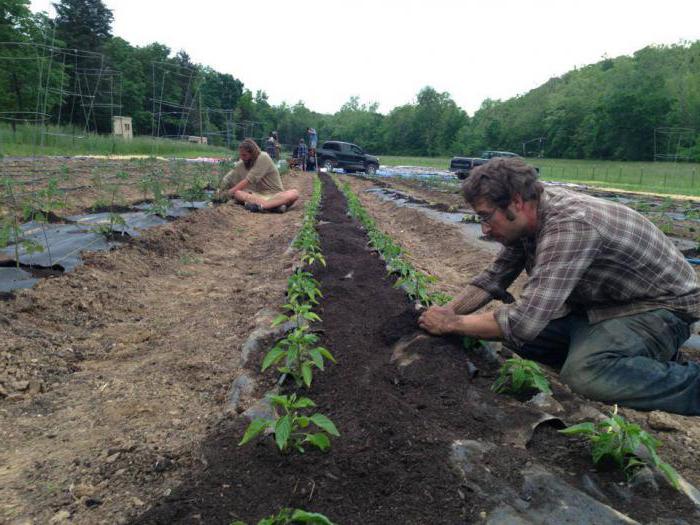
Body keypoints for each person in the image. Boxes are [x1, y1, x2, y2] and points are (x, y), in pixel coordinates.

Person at [418, 157, 700, 415]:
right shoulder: (529, 219)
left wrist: (453, 324)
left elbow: (524, 321)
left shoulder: (570, 226)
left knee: (584, 375)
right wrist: (447, 312)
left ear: (516, 202)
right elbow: (493, 279)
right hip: (600, 307)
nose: (485, 229)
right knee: (521, 343)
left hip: (659, 308)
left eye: (486, 216)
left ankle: (686, 380)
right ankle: (638, 353)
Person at [219, 138, 299, 213]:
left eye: (244, 155)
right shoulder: (244, 162)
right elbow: (230, 176)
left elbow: (248, 181)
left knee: (294, 193)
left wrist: (228, 193)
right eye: (241, 155)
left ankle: (263, 206)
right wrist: (220, 190)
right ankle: (274, 206)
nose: (242, 158)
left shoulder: (263, 157)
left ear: (252, 153)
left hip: (275, 195)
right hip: (259, 196)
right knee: (238, 193)